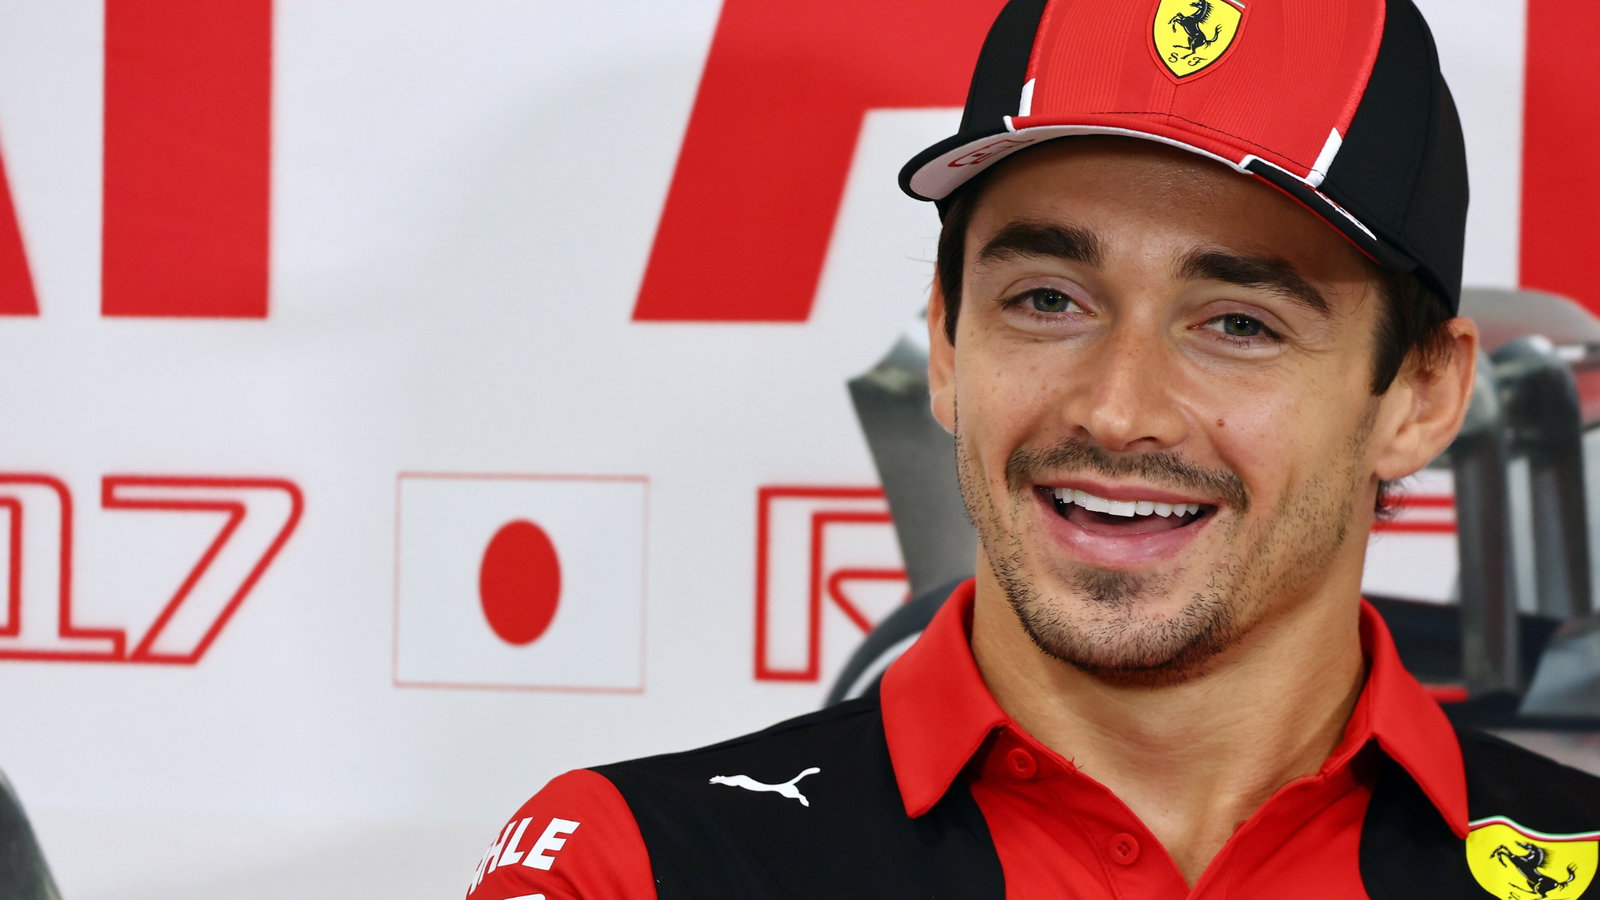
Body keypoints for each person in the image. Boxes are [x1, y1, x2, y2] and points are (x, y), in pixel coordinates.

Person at [467, 1, 1600, 897]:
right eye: (1049, 300)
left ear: (1420, 393)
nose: (1116, 410)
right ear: (947, 347)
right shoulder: (640, 869)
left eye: (1238, 324)